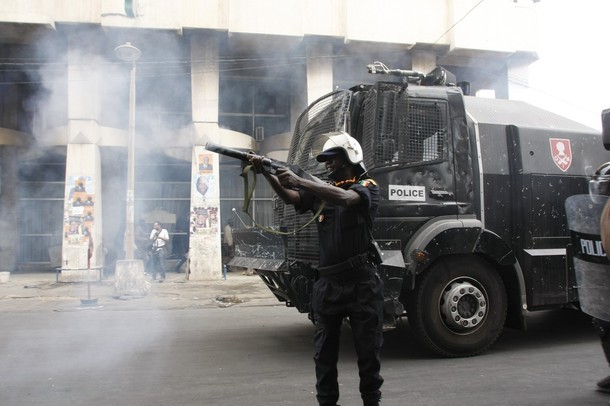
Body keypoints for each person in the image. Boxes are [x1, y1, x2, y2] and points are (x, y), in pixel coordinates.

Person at [251, 131, 384, 406]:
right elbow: (291, 198)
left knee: (368, 354)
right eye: (325, 161)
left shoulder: (367, 186)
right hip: (328, 284)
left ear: (349, 158)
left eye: (333, 159)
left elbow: (347, 199)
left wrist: (301, 181)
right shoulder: (322, 191)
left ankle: (372, 401)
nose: (327, 165)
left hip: (361, 284)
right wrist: (267, 172)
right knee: (324, 355)